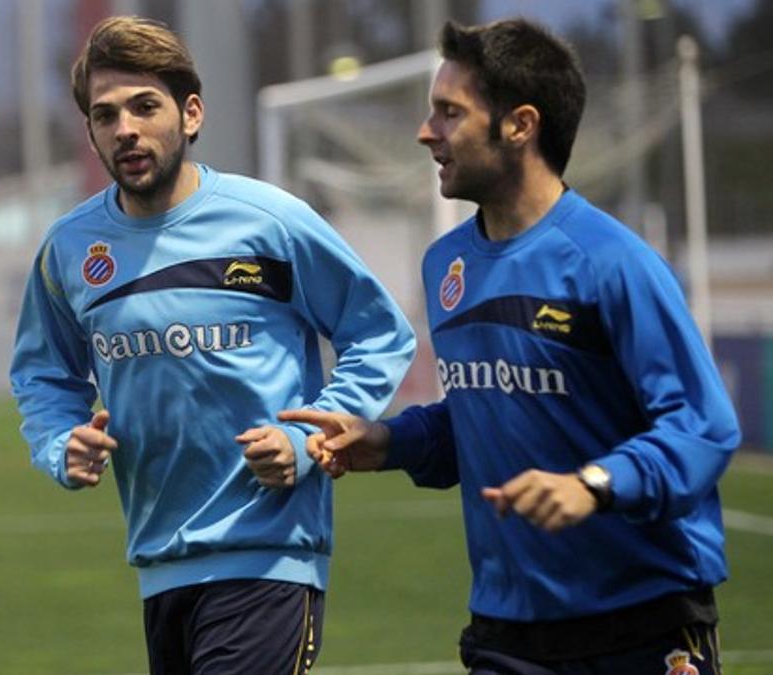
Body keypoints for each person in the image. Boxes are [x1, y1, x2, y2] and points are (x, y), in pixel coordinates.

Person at [280, 18, 741, 675]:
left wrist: (596, 484)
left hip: (643, 621)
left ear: (520, 125)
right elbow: (478, 415)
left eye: (449, 113)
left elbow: (704, 425)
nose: (425, 132)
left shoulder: (612, 262)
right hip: (508, 630)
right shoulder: (447, 266)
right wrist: (385, 442)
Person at [8, 15, 416, 675]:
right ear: (91, 134)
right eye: (105, 116)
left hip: (269, 557)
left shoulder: (271, 222)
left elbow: (379, 334)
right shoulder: (70, 248)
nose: (126, 129)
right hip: (160, 567)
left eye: (145, 107)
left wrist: (308, 444)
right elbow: (45, 375)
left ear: (190, 114)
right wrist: (62, 443)